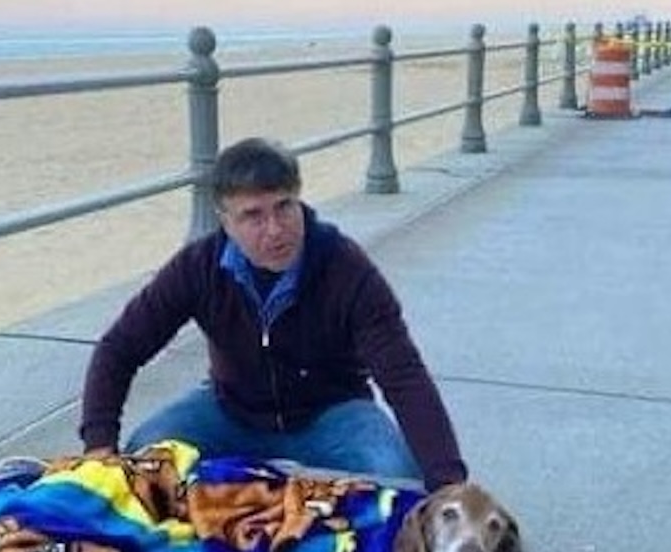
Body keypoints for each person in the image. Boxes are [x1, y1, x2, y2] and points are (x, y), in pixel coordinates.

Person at [78, 136, 467, 489]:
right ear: (225, 220)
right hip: (230, 411)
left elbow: (404, 376)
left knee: (400, 478)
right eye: (253, 215)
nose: (275, 229)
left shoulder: (346, 269)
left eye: (284, 207)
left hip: (332, 413)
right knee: (144, 461)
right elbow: (120, 348)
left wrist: (448, 479)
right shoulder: (199, 268)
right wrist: (99, 444)